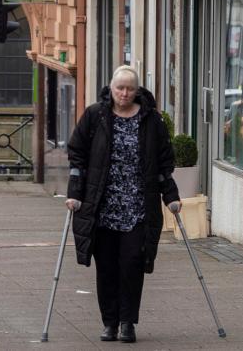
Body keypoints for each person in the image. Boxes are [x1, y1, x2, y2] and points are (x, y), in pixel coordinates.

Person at [65, 65, 181, 344]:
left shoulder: (152, 120)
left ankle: (128, 322)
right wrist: (74, 193)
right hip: (102, 207)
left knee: (132, 263)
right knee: (106, 267)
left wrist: (171, 196)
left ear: (137, 90)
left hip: (137, 207)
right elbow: (77, 155)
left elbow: (163, 161)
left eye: (130, 88)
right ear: (112, 88)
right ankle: (110, 322)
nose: (125, 93)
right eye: (120, 88)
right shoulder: (96, 116)